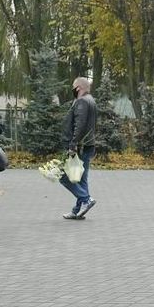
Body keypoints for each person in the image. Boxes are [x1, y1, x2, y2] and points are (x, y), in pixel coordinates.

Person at [60, 76, 98, 220]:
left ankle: (86, 199)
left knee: (63, 176)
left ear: (79, 88)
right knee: (81, 180)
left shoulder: (82, 101)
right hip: (88, 145)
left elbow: (80, 125)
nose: (73, 90)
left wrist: (73, 145)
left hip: (80, 146)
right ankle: (77, 210)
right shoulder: (91, 101)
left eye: (73, 87)